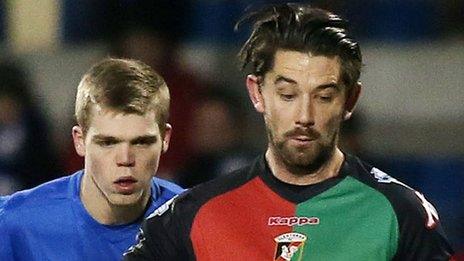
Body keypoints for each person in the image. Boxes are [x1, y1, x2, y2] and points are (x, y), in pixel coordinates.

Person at [124, 4, 453, 260]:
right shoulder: (191, 215)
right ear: (257, 93)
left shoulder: (399, 212)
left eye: (324, 96)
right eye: (287, 94)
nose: (305, 116)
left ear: (350, 99)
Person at [0, 58, 183, 260]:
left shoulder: (194, 223)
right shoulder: (14, 223)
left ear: (165, 139)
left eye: (141, 142)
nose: (125, 159)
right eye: (107, 143)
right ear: (79, 141)